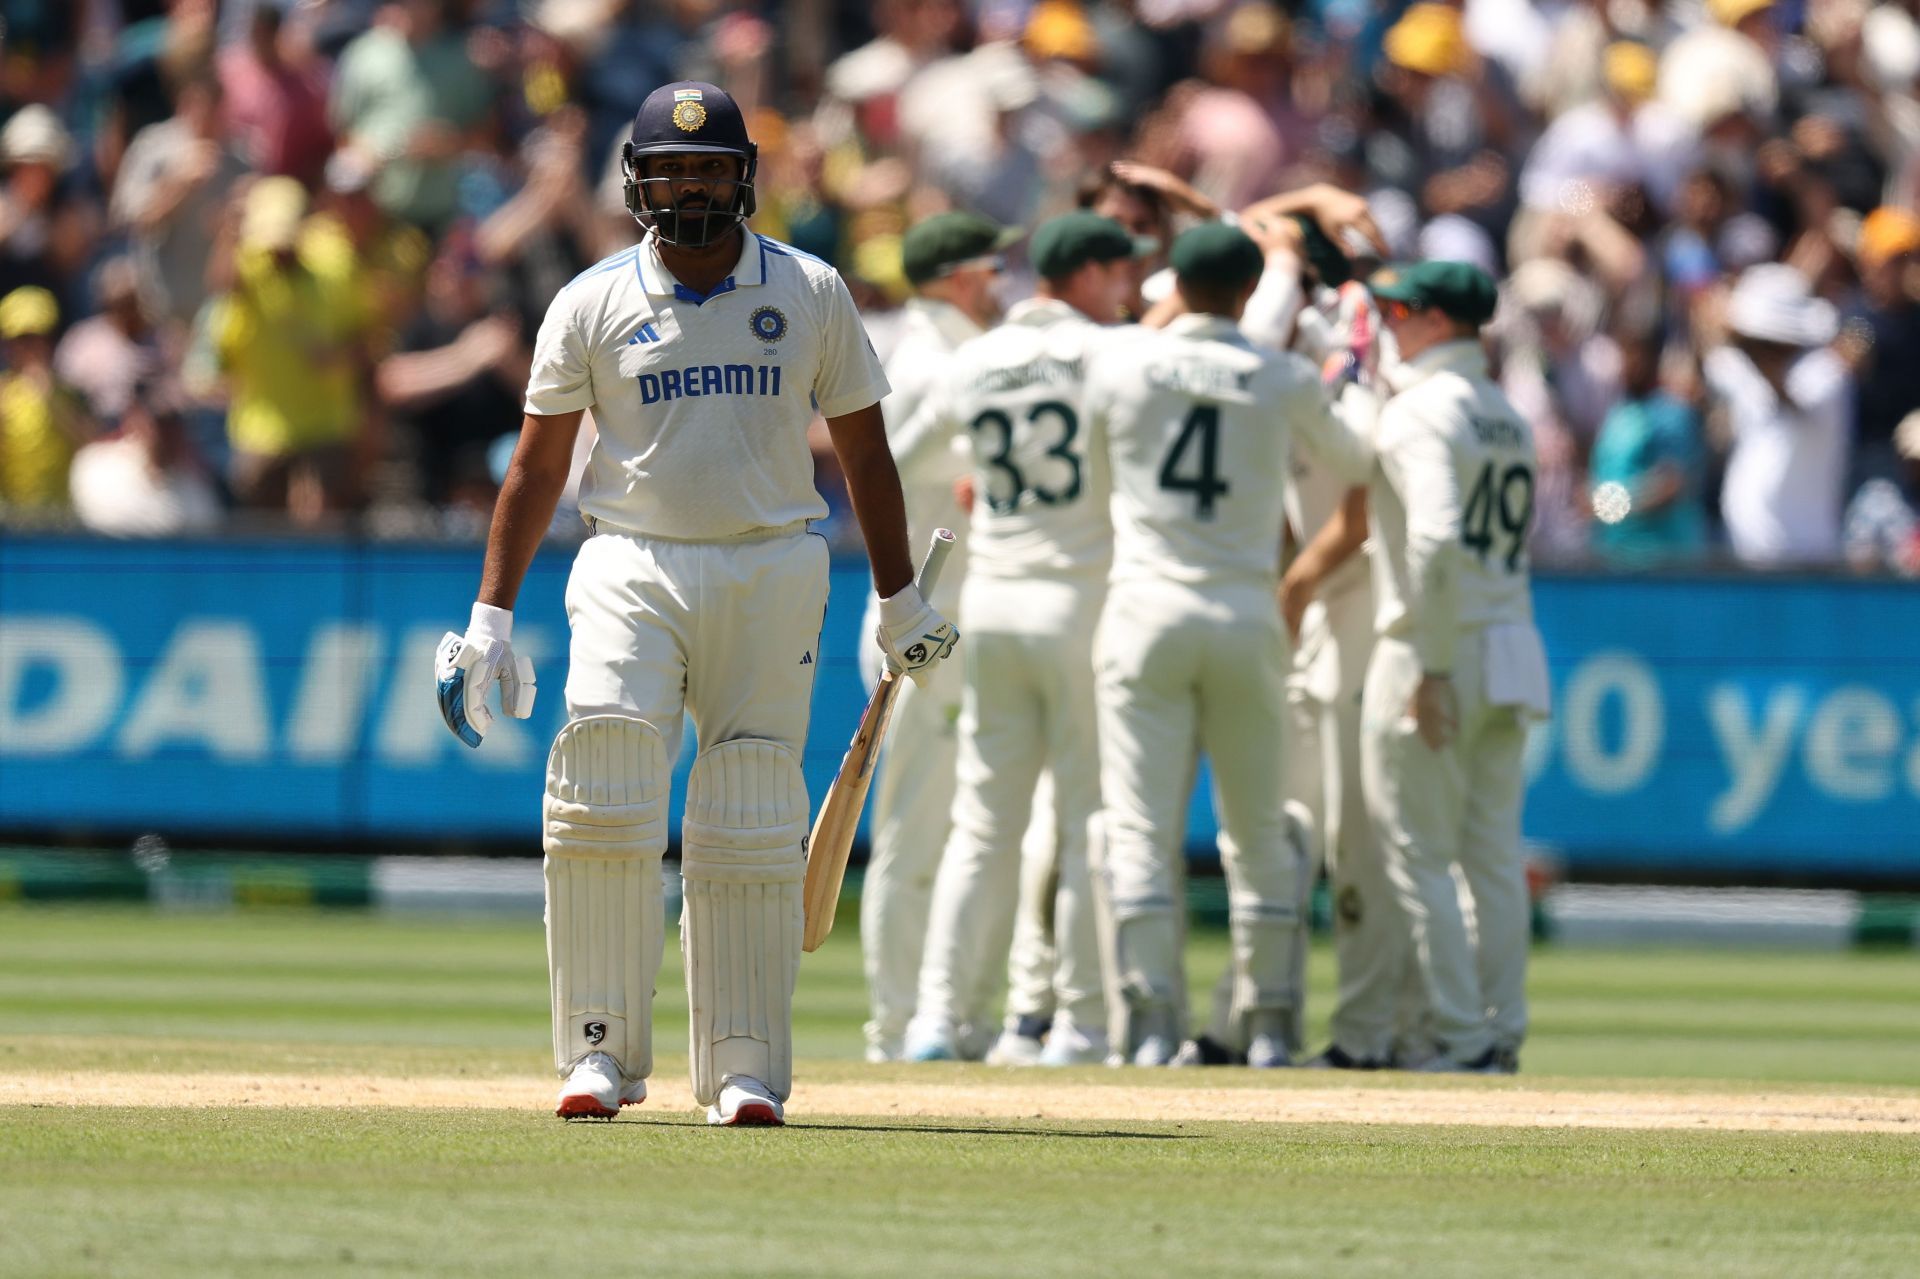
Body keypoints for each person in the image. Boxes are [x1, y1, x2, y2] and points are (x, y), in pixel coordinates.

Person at [433, 82, 953, 1127]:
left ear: (744, 177)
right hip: (631, 560)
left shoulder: (809, 289)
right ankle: (599, 1050)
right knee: (605, 779)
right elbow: (536, 470)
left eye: (709, 169)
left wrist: (898, 601)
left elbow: (865, 454)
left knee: (754, 808)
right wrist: (489, 616)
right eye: (670, 171)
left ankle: (744, 1061)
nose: (690, 187)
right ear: (637, 182)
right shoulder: (589, 299)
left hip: (773, 565)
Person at [1085, 223, 1369, 1067]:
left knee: (1140, 825)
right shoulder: (1279, 376)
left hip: (1144, 610)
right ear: (1248, 296)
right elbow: (1356, 457)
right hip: (1245, 611)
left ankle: (1147, 1028)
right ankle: (1273, 1025)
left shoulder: (1124, 359)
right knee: (1259, 825)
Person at [900, 211, 1151, 1067]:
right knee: (1086, 818)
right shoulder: (1111, 354)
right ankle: (1079, 1024)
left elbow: (895, 451)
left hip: (994, 605)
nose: (1127, 293)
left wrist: (972, 471)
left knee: (981, 821)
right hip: (1080, 603)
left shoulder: (978, 357)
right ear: (1083, 276)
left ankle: (939, 1016)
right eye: (1119, 275)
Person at [1360, 260, 1550, 1074]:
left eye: (1400, 309)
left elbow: (1435, 538)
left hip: (1440, 640)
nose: (1391, 322)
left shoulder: (1421, 412)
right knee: (1492, 855)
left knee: (1422, 853)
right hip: (1510, 637)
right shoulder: (1507, 411)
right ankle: (1500, 1028)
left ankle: (1459, 1035)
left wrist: (1431, 666)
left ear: (1437, 320)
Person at [856, 210, 1015, 1064]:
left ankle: (936, 1018)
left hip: (934, 620)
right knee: (923, 835)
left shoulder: (925, 352)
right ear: (960, 276)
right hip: (921, 622)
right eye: (992, 268)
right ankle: (902, 1023)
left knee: (951, 833)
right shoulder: (934, 362)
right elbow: (876, 464)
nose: (1001, 285)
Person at [1705, 263, 1851, 566]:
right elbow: (1718, 359)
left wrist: (1744, 342)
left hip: (1807, 561)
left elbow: (1789, 398)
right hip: (1745, 557)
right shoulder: (1745, 369)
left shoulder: (1826, 375)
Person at [1587, 322, 1707, 567]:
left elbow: (1672, 485)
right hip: (1615, 559)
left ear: (1652, 359)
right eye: (1624, 355)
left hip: (1662, 564)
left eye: (1636, 355)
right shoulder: (1618, 415)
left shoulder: (1674, 414)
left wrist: (1609, 507)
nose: (1629, 364)